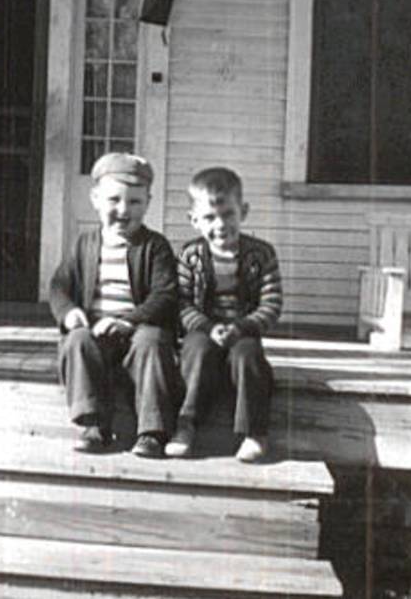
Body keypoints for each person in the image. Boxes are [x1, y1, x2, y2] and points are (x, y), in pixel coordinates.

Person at [50, 152, 180, 458]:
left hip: (138, 330)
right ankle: (93, 423)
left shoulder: (155, 246)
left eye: (134, 202)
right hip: (95, 330)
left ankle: (152, 431)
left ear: (148, 202)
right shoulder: (84, 243)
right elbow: (59, 286)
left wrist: (129, 321)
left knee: (153, 343)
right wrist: (69, 313)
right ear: (95, 199)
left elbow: (165, 294)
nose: (123, 210)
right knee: (76, 341)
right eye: (114, 200)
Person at [166, 166, 281, 462]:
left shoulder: (261, 254)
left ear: (243, 211)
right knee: (196, 351)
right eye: (209, 217)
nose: (220, 224)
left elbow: (271, 304)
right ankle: (186, 424)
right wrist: (207, 327)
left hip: (242, 331)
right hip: (203, 331)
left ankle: (254, 433)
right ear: (193, 220)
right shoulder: (190, 256)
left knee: (247, 356)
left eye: (228, 214)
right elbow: (181, 303)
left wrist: (241, 327)